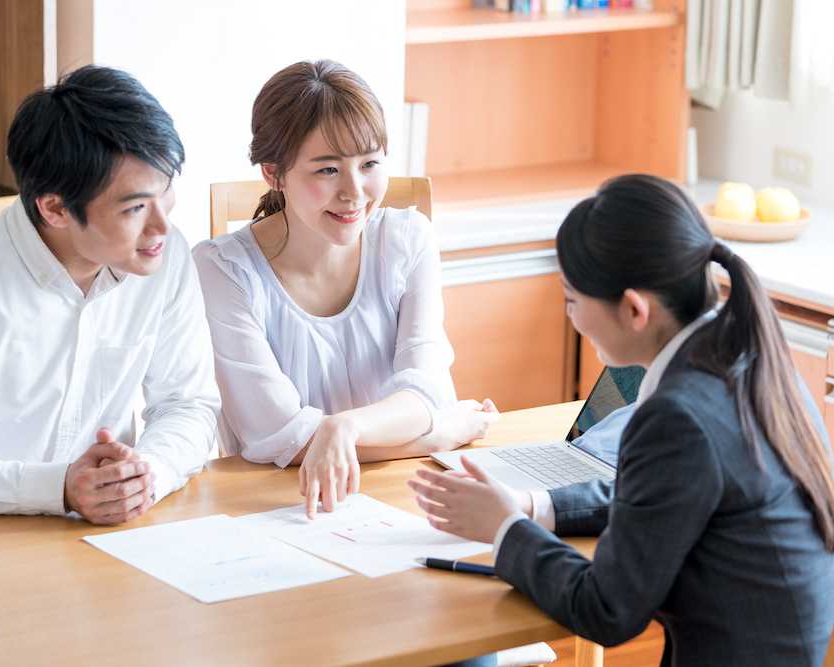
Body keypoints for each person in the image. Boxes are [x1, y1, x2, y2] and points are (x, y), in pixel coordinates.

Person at [0, 66, 220, 667]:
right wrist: (59, 487)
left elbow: (190, 404)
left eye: (167, 194)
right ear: (54, 208)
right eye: (135, 207)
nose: (162, 226)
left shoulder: (163, 256)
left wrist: (147, 474)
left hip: (106, 564)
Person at [411, 174, 834, 667]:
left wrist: (504, 529)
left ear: (634, 309)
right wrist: (534, 505)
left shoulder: (678, 415)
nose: (568, 313)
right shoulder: (745, 350)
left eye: (571, 298)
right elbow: (659, 497)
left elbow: (606, 609)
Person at [193, 60, 498, 519]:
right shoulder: (222, 269)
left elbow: (428, 392)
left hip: (405, 496)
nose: (355, 192)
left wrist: (343, 428)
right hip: (279, 506)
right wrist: (436, 436)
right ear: (274, 174)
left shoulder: (407, 239)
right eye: (327, 170)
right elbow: (275, 437)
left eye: (370, 163)